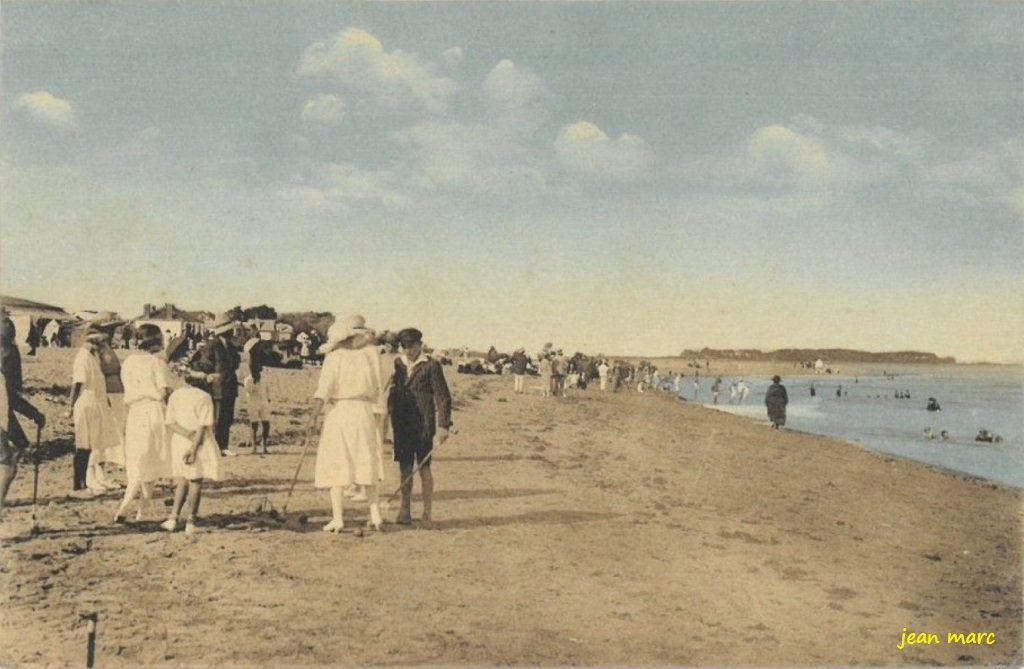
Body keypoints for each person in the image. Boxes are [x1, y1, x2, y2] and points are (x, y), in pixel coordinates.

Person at [307, 315, 386, 533]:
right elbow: (379, 389)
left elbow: (323, 390)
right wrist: (378, 416)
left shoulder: (334, 357)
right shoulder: (371, 354)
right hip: (364, 412)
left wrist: (314, 415)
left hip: (340, 412)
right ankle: (375, 515)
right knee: (366, 460)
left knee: (337, 463)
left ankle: (338, 518)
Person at [388, 327, 452, 525]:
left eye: (411, 346)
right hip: (401, 423)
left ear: (420, 345)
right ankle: (404, 511)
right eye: (404, 346)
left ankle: (427, 513)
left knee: (424, 467)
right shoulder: (398, 363)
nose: (408, 350)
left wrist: (443, 426)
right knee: (405, 468)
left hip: (423, 424)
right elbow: (392, 392)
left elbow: (443, 397)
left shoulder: (432, 365)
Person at [113, 324, 172, 523]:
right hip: (153, 412)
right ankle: (135, 510)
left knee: (137, 461)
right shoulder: (157, 363)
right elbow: (163, 392)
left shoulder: (128, 362)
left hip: (135, 413)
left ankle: (133, 510)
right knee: (151, 463)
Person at [162, 360, 224, 533]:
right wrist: (194, 448)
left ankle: (173, 518)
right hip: (199, 442)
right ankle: (191, 521)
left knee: (181, 480)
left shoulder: (175, 396)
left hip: (179, 441)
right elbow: (203, 427)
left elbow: (170, 422)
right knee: (195, 482)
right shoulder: (204, 397)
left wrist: (185, 434)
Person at [1, 314, 46, 519]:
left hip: (4, 415)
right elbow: (10, 399)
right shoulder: (8, 358)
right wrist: (34, 414)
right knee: (9, 466)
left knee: (13, 456)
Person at [68, 324, 121, 497]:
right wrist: (70, 407)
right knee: (83, 446)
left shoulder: (92, 357)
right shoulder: (82, 358)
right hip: (86, 404)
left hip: (95, 403)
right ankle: (78, 487)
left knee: (92, 446)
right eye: (101, 341)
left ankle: (86, 483)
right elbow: (77, 385)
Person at [197, 313, 240, 457]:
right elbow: (205, 365)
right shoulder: (212, 345)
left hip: (230, 385)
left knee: (227, 417)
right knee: (217, 418)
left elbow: (235, 363)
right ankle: (214, 446)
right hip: (217, 387)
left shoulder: (231, 346)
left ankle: (223, 446)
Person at [243, 356, 272, 455]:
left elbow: (267, 389)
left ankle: (264, 446)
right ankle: (254, 446)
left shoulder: (264, 378)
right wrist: (255, 382)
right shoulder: (248, 380)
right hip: (253, 403)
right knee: (254, 424)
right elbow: (249, 390)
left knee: (266, 423)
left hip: (263, 402)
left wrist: (268, 398)